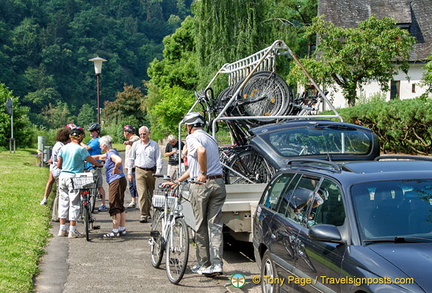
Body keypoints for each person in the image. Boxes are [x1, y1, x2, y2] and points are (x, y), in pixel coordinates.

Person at [165, 112, 226, 276]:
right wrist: (177, 181)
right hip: (218, 183)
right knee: (215, 225)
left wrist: (204, 173)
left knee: (200, 225)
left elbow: (201, 151)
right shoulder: (209, 137)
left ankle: (204, 263)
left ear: (189, 126)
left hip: (201, 185)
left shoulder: (192, 139)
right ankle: (217, 264)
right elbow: (194, 169)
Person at [57, 127, 103, 238]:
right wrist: (99, 164)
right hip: (74, 177)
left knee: (63, 202)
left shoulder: (64, 148)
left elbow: (59, 165)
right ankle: (72, 230)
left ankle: (62, 229)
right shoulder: (80, 149)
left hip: (63, 175)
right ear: (81, 137)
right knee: (74, 203)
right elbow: (90, 160)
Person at [126, 126, 163, 223]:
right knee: (142, 194)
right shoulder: (136, 145)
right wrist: (129, 173)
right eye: (141, 134)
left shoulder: (154, 145)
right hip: (139, 171)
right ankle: (143, 215)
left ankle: (148, 210)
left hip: (151, 171)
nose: (142, 136)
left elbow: (158, 158)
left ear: (148, 133)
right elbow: (131, 159)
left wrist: (158, 171)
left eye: (144, 134)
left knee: (150, 193)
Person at [93, 135, 127, 237]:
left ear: (104, 145)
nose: (99, 147)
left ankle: (115, 230)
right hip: (119, 180)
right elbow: (99, 157)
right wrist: (85, 157)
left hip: (116, 180)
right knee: (120, 205)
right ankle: (122, 228)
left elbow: (119, 160)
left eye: (100, 145)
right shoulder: (109, 153)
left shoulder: (111, 154)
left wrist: (116, 167)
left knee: (114, 205)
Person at [40, 128, 70, 222]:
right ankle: (56, 215)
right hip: (59, 171)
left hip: (56, 170)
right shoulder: (61, 147)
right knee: (59, 193)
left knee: (60, 192)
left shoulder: (58, 144)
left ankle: (58, 214)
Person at [80, 123, 107, 212]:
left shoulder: (97, 140)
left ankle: (103, 204)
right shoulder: (92, 140)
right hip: (87, 165)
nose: (91, 133)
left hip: (94, 165)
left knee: (99, 185)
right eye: (90, 131)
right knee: (86, 185)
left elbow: (87, 148)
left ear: (97, 132)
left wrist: (80, 143)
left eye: (92, 131)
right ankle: (86, 201)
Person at [122, 125, 140, 208]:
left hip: (135, 166)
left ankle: (139, 200)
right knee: (131, 184)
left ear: (128, 132)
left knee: (136, 184)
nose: (124, 133)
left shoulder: (135, 138)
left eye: (124, 131)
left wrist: (128, 142)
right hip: (130, 166)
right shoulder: (130, 139)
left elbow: (134, 141)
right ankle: (133, 200)